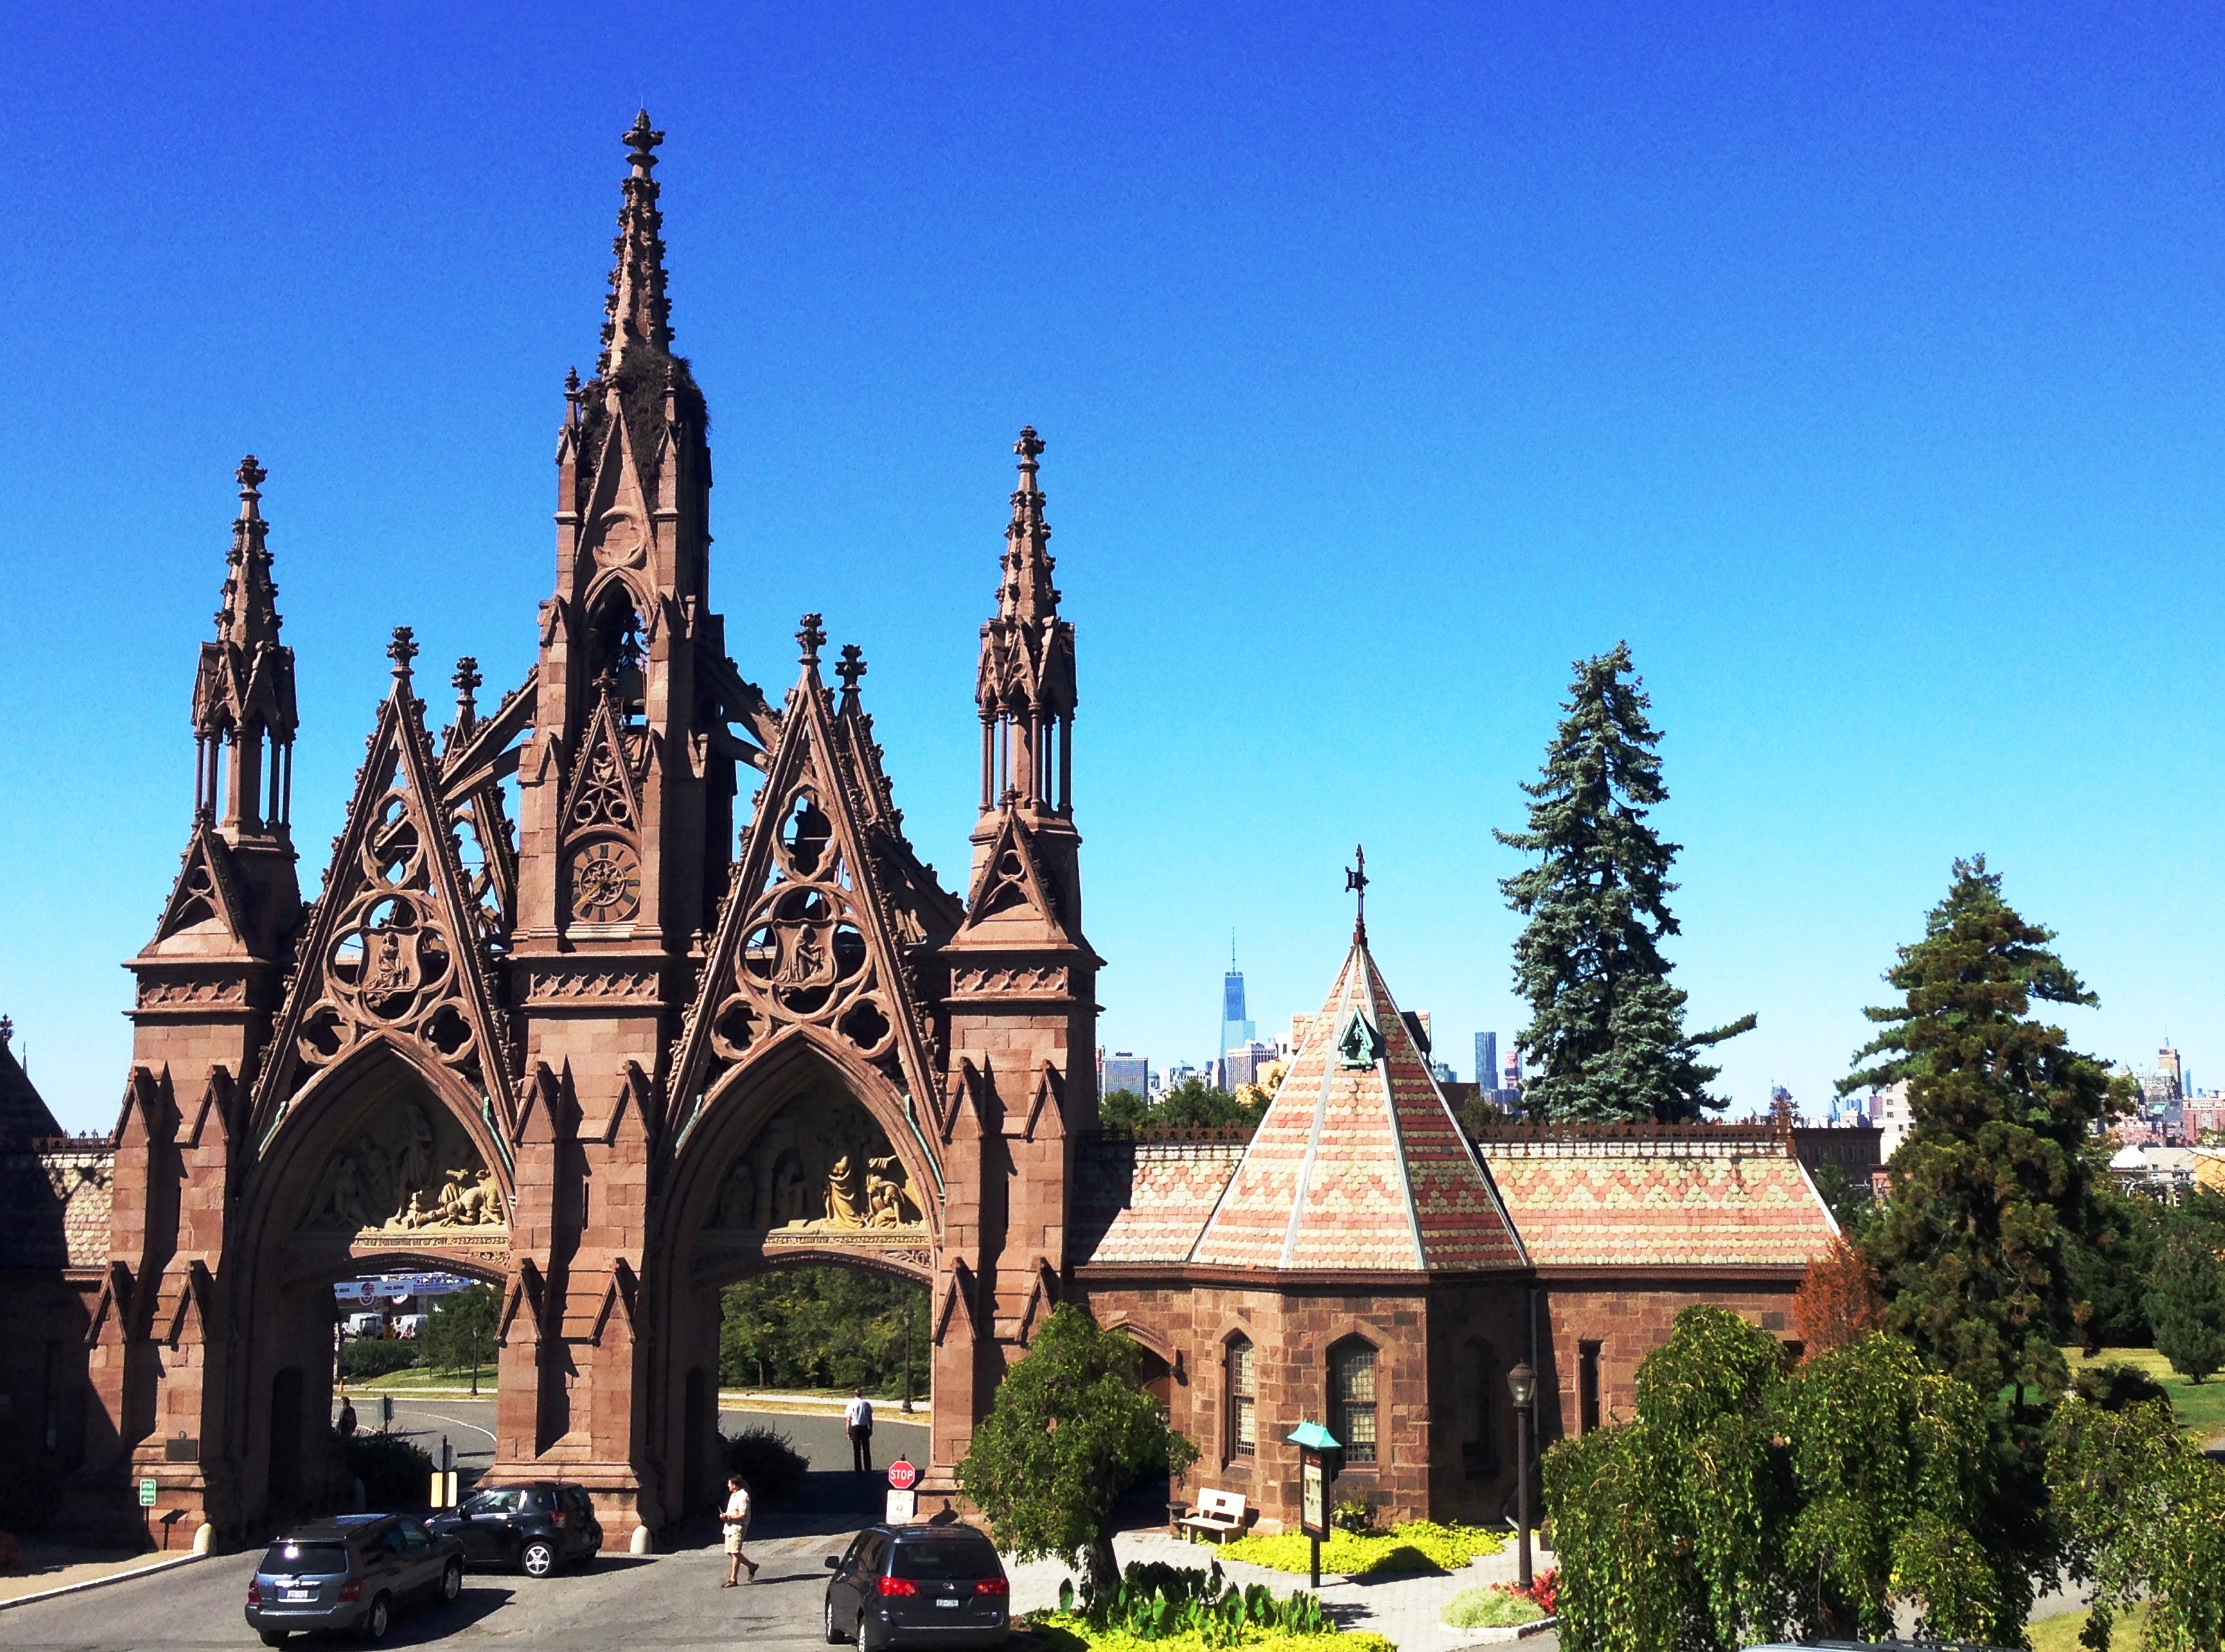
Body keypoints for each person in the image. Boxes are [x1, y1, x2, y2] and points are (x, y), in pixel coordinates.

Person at [721, 1474, 758, 1586]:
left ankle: (733, 1579)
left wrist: (729, 1517)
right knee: (729, 1552)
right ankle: (752, 1566)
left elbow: (743, 1515)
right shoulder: (733, 1496)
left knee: (735, 1552)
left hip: (738, 1527)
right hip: (729, 1527)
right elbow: (731, 1512)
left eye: (729, 1484)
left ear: (735, 1485)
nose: (728, 1486)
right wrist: (725, 1516)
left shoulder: (743, 1497)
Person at [845, 1389, 874, 1473]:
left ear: (854, 1395)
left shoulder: (851, 1404)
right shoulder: (866, 1404)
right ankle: (868, 1467)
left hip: (855, 1428)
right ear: (861, 1394)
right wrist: (871, 1428)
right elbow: (870, 1418)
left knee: (857, 1449)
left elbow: (848, 1419)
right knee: (866, 1449)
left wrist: (848, 1431)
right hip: (864, 1427)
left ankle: (858, 1468)